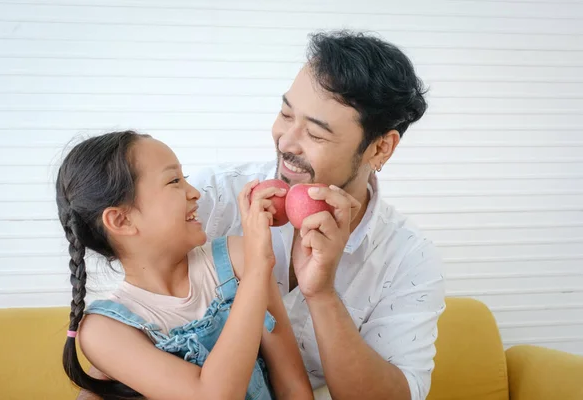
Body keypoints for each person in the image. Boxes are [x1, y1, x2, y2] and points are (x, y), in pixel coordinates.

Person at [188, 30, 446, 400]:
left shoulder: (408, 257)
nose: (286, 142)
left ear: (380, 148)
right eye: (285, 113)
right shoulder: (214, 197)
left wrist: (322, 295)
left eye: (316, 134)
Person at [56, 131, 313, 399]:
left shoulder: (238, 259)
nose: (194, 193)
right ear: (121, 221)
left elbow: (293, 387)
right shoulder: (102, 331)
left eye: (185, 178)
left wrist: (255, 262)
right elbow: (213, 395)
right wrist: (259, 264)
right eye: (174, 181)